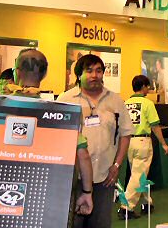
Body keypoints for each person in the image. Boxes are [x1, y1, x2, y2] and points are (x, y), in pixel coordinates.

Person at [9, 49, 94, 216]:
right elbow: (83, 155)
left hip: (2, 193)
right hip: (43, 196)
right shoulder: (61, 113)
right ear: (45, 74)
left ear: (17, 71)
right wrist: (87, 192)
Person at [58, 54, 134, 228]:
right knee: (72, 224)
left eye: (98, 71)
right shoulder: (65, 100)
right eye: (89, 70)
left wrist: (117, 165)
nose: (94, 75)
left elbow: (126, 134)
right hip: (73, 177)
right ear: (79, 75)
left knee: (101, 223)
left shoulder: (115, 100)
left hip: (105, 177)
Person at [118, 75, 168, 219]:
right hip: (143, 141)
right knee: (138, 176)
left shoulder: (125, 103)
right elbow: (155, 125)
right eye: (147, 86)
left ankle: (147, 202)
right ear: (143, 87)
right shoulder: (148, 103)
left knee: (138, 173)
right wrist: (163, 143)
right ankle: (126, 207)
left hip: (128, 142)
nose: (148, 89)